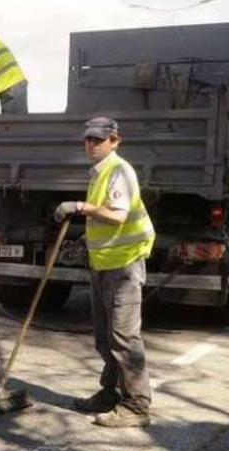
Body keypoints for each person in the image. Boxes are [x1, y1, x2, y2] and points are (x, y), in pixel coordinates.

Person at [54, 117, 155, 428]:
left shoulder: (119, 170)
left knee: (124, 338)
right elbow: (103, 220)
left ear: (114, 141)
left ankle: (137, 406)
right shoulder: (98, 173)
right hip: (103, 264)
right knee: (104, 338)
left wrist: (79, 207)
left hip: (124, 267)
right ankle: (110, 392)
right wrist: (85, 239)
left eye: (98, 140)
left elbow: (118, 215)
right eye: (88, 140)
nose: (91, 145)